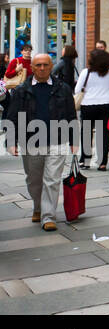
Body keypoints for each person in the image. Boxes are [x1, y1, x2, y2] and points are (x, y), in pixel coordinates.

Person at [3, 53, 77, 230]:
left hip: (57, 140)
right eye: (38, 65)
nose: (42, 68)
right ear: (32, 68)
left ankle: (48, 216)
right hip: (30, 141)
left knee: (52, 180)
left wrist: (74, 140)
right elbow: (12, 117)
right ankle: (38, 207)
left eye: (45, 65)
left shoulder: (63, 88)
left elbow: (71, 116)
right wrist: (11, 141)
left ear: (51, 67)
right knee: (34, 180)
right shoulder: (21, 90)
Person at [75, 49, 109, 171]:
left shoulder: (86, 73)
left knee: (87, 133)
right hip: (106, 104)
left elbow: (78, 90)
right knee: (103, 134)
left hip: (88, 104)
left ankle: (85, 160)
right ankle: (102, 162)